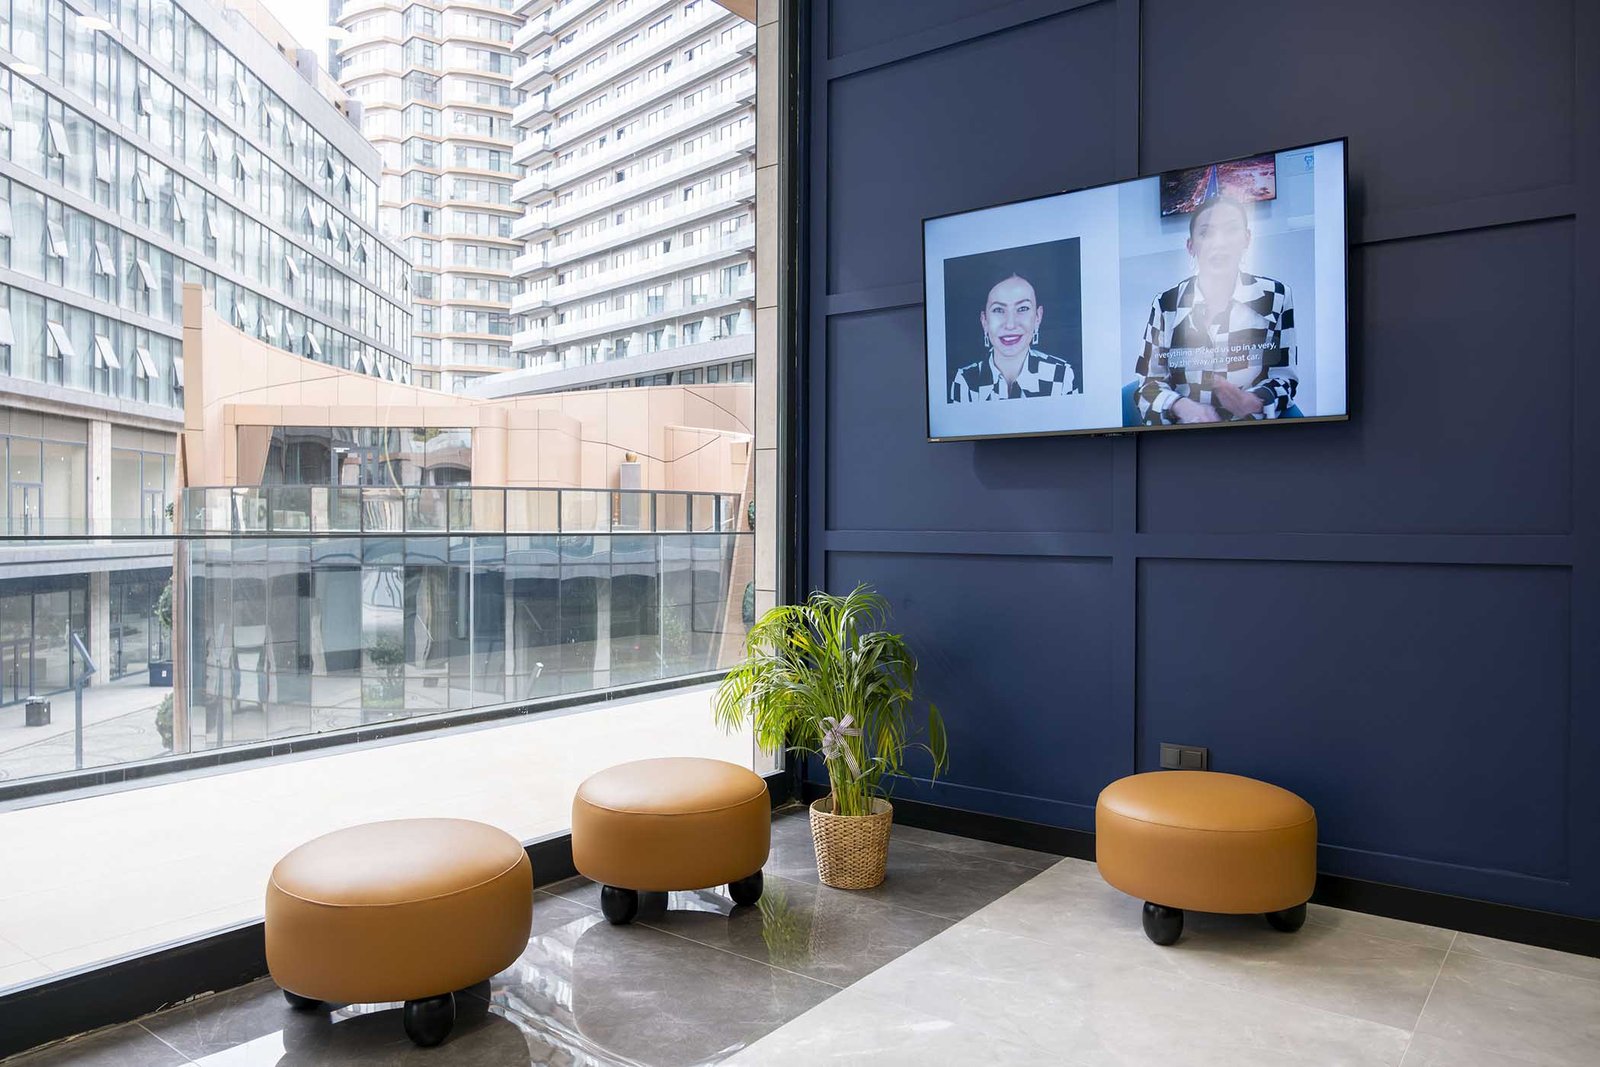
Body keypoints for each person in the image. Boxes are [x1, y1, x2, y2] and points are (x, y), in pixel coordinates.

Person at [1133, 196, 1297, 425]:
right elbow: (1147, 387)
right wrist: (1180, 406)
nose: (1219, 242)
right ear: (1191, 246)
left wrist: (1253, 401)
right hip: (1182, 434)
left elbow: (1285, 379)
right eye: (1206, 233)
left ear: (1247, 238)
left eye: (1231, 230)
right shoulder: (1165, 304)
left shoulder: (1276, 297)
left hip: (1252, 432)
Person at [949, 274, 1078, 401]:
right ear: (984, 321)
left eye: (1022, 308)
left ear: (1038, 317)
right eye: (998, 310)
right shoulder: (965, 381)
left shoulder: (1062, 375)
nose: (1010, 325)